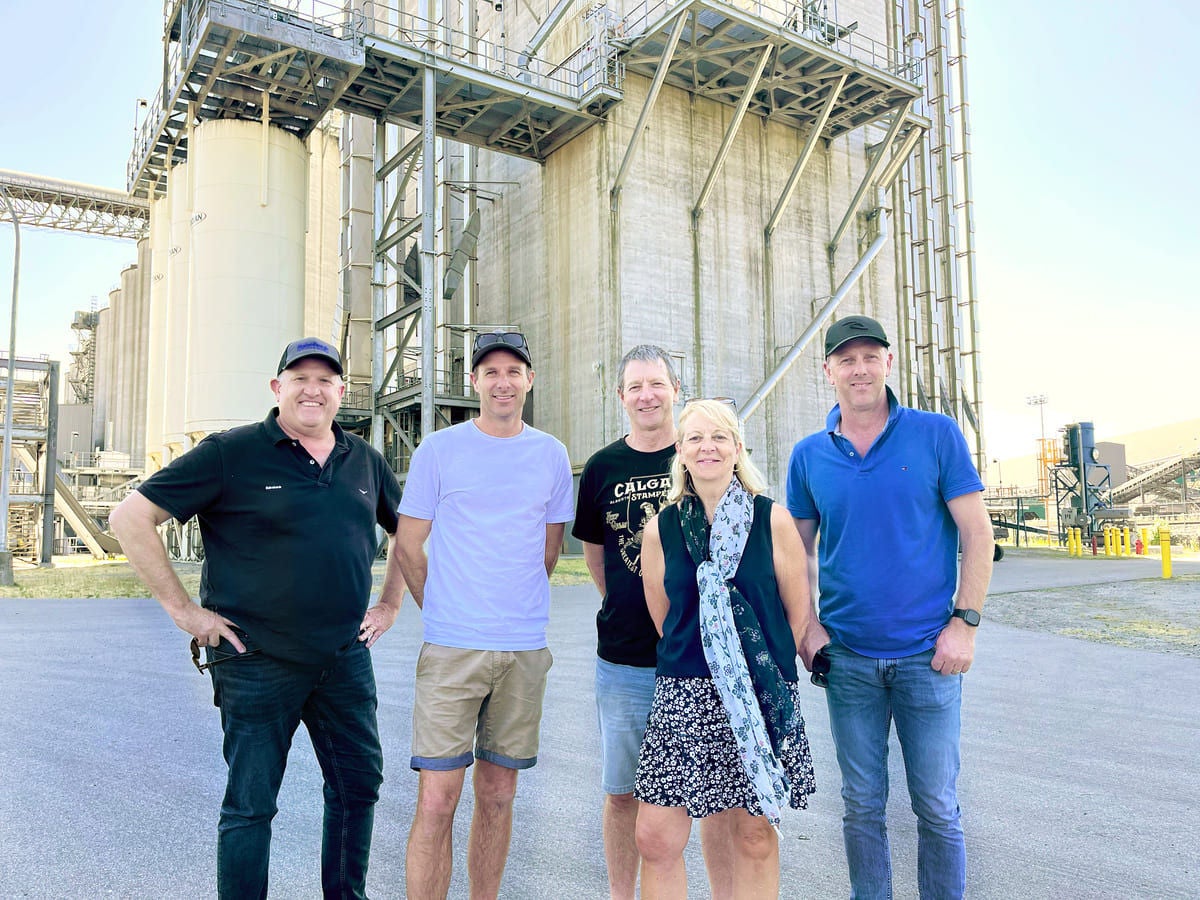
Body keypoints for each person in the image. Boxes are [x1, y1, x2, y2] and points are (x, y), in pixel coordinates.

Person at [109, 336, 406, 899]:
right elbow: (130, 518)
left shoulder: (362, 459)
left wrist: (389, 603)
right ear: (278, 388)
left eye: (325, 380)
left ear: (341, 392)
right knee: (250, 804)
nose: (313, 390)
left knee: (358, 787)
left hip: (343, 658)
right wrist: (185, 612)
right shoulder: (232, 453)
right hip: (255, 659)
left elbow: (409, 532)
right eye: (300, 378)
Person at [785, 315, 994, 900]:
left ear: (889, 363)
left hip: (930, 656)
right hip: (848, 660)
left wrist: (965, 623)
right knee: (861, 805)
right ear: (827, 371)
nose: (859, 368)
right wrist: (808, 626)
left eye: (869, 356)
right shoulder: (809, 455)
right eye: (845, 359)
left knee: (936, 805)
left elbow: (978, 535)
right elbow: (797, 549)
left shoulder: (936, 435)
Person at [394, 329, 574, 900]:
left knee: (498, 794)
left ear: (529, 380)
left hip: (523, 650)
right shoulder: (440, 450)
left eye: (513, 371)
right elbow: (407, 545)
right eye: (490, 372)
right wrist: (442, 610)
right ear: (474, 381)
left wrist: (510, 605)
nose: (502, 381)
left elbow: (548, 550)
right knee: (438, 798)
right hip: (453, 649)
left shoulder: (550, 453)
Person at [634, 399, 818, 900]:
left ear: (738, 448)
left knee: (754, 836)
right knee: (655, 836)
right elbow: (664, 614)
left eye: (719, 437)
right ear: (681, 450)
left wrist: (744, 666)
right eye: (695, 438)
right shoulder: (661, 528)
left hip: (756, 696)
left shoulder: (772, 520)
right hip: (683, 694)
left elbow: (796, 615)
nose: (707, 447)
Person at [573, 346, 733, 900]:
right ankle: (623, 895)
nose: (647, 394)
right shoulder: (601, 468)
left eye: (657, 384)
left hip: (701, 662)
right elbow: (597, 557)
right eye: (635, 385)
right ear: (621, 396)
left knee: (714, 795)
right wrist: (633, 601)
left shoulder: (701, 455)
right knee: (623, 792)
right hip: (625, 658)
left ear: (676, 389)